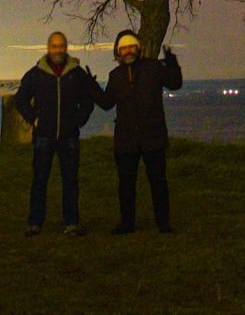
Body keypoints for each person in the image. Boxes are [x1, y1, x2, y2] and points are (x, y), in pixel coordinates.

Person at [12, 30, 107, 235]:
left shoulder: (77, 73)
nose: (58, 50)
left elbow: (88, 100)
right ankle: (35, 222)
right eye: (54, 46)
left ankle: (71, 222)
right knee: (39, 180)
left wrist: (79, 120)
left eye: (61, 46)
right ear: (48, 48)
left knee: (70, 180)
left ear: (66, 48)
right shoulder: (36, 74)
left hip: (69, 136)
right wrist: (34, 118)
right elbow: (20, 99)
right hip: (43, 135)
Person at [103, 30, 182, 234]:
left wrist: (172, 63)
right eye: (124, 48)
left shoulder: (154, 68)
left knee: (158, 182)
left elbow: (175, 83)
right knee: (126, 185)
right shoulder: (115, 75)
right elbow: (106, 103)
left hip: (152, 136)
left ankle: (163, 223)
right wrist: (90, 86)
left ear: (139, 48)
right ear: (118, 52)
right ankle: (127, 223)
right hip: (126, 139)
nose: (128, 51)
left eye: (131, 47)